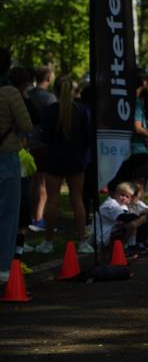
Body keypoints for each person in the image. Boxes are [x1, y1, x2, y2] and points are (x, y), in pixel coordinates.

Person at [37, 78, 92, 255]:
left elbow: (44, 138)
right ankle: (82, 241)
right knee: (77, 199)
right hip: (75, 159)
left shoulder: (49, 111)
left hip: (54, 158)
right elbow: (88, 137)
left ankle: (48, 242)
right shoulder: (82, 110)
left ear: (55, 91)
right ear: (73, 91)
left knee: (52, 200)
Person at [0, 69, 32, 284]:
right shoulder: (9, 92)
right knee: (8, 213)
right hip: (6, 156)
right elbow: (26, 125)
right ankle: (3, 268)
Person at [96, 182, 148, 257]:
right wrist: (140, 217)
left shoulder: (123, 205)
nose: (124, 198)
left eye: (127, 196)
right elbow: (124, 217)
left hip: (110, 234)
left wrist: (142, 216)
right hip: (103, 237)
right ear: (115, 194)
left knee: (143, 219)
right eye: (122, 195)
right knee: (130, 225)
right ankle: (116, 250)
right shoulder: (111, 204)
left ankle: (128, 246)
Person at [26, 66, 56, 233]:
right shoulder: (49, 98)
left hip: (27, 142)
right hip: (43, 144)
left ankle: (31, 214)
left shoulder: (27, 94)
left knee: (32, 180)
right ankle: (38, 218)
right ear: (49, 78)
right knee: (42, 182)